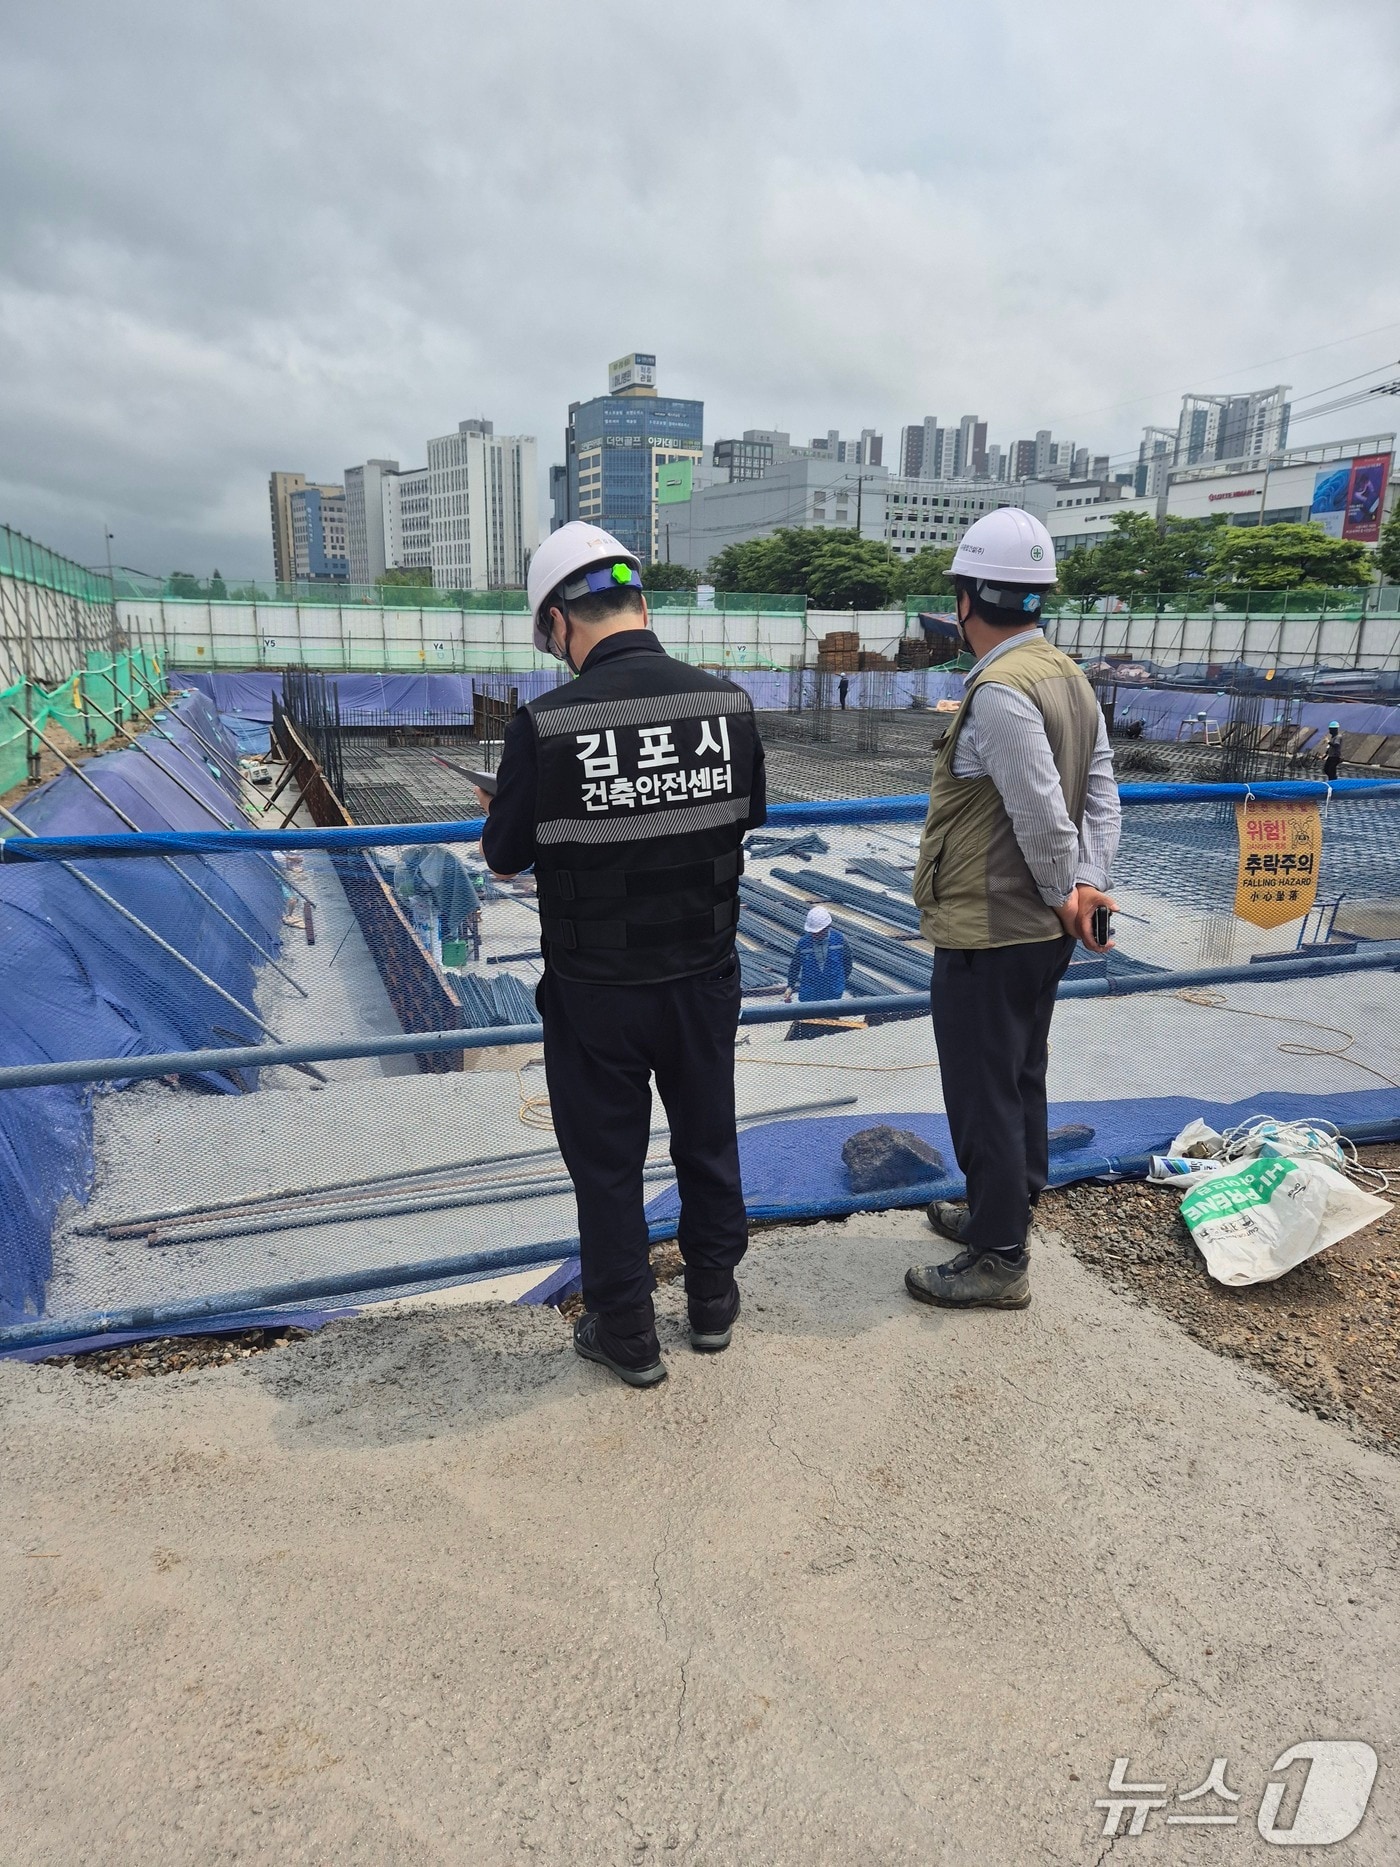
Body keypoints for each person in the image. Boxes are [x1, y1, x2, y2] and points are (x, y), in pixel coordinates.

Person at [476, 522, 767, 1388]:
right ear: (639, 601)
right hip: (703, 977)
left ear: (561, 621)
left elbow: (503, 855)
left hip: (595, 990)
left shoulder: (548, 724)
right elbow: (741, 818)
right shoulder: (727, 704)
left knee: (606, 1164)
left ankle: (628, 1332)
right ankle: (712, 1302)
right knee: (708, 1138)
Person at [905, 508, 1121, 1312]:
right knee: (1021, 1072)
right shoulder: (1067, 673)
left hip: (991, 927)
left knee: (982, 1087)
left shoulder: (999, 691)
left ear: (966, 599)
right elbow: (1100, 786)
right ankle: (1007, 1207)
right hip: (1041, 930)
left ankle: (1000, 1257)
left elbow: (1037, 809)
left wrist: (1067, 885)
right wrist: (1088, 886)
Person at [783, 905, 852, 1040]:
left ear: (827, 927)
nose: (815, 934)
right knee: (808, 1023)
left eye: (818, 931)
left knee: (831, 1025)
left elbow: (847, 963)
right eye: (813, 932)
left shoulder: (840, 940)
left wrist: (841, 981)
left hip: (832, 989)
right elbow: (795, 965)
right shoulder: (803, 943)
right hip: (810, 991)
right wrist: (790, 985)